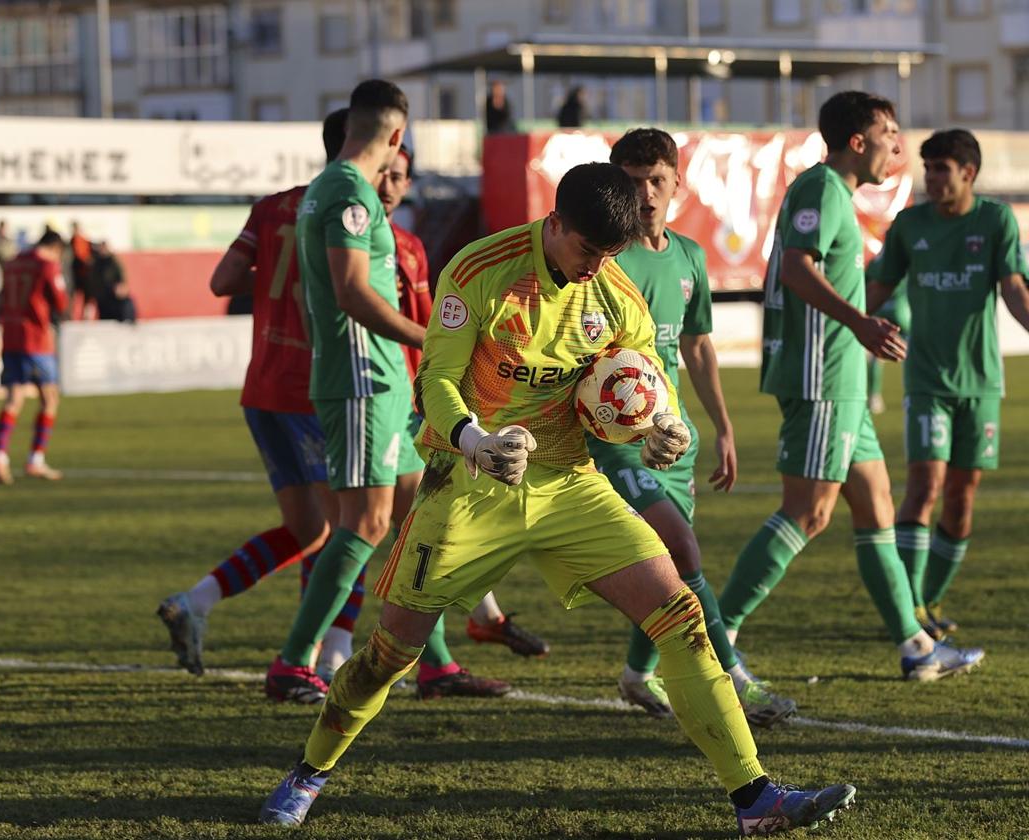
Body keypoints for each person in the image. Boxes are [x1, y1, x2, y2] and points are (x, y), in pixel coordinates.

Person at [259, 162, 857, 834]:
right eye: (586, 251)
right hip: (470, 485)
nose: (594, 268)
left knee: (680, 615)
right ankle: (308, 773)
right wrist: (475, 439)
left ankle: (754, 800)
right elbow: (438, 380)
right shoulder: (481, 270)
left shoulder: (614, 291)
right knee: (386, 659)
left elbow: (650, 390)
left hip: (569, 484)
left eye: (609, 255)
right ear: (556, 223)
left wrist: (666, 431)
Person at [717, 91, 984, 681]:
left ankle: (916, 647)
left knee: (877, 506)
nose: (898, 144)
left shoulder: (833, 193)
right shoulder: (821, 188)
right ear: (858, 142)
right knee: (809, 513)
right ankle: (719, 635)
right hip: (823, 379)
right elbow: (796, 269)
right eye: (889, 131)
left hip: (844, 383)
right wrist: (860, 322)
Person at [262, 79, 505, 704]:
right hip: (360, 380)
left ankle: (437, 664)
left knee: (416, 515)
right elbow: (350, 292)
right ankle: (293, 662)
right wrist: (430, 339)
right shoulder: (348, 193)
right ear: (397, 134)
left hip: (383, 382)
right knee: (363, 524)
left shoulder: (332, 190)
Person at [589, 127, 794, 726]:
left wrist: (723, 428)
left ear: (678, 183)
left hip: (675, 441)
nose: (646, 194)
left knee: (669, 566)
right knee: (681, 551)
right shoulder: (603, 261)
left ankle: (635, 674)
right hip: (619, 444)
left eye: (656, 180)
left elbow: (698, 345)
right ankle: (736, 681)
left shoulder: (688, 257)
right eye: (632, 182)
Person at [157, 109, 352, 679]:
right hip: (314, 388)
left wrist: (273, 282)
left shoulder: (271, 208)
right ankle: (322, 657)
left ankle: (196, 602)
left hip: (261, 388)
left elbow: (222, 281)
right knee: (353, 528)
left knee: (308, 530)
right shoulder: (346, 208)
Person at [381, 144, 550, 661]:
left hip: (413, 393)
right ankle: (317, 652)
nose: (389, 184)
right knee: (359, 526)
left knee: (406, 522)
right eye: (382, 171)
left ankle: (455, 648)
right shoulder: (342, 239)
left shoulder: (409, 246)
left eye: (399, 176)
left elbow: (441, 325)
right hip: (364, 392)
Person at [868, 128, 1029, 639]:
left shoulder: (996, 220)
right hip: (926, 381)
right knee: (925, 486)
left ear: (969, 173)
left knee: (962, 498)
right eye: (928, 168)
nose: (932, 178)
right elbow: (875, 290)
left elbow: (1013, 289)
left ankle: (930, 600)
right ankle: (910, 609)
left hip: (980, 383)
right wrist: (837, 325)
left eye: (942, 169)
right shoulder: (908, 225)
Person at [0, 229, 69, 485]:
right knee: (50, 399)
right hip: (36, 339)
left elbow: (1, 299)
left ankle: (0, 456)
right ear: (56, 248)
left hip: (10, 334)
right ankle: (36, 459)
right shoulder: (47, 265)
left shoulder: (12, 263)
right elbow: (60, 301)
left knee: (14, 398)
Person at [864, 253, 909, 414]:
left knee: (877, 355)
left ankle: (874, 396)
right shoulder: (903, 257)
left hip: (882, 309)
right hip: (901, 312)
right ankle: (911, 395)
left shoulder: (875, 263)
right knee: (912, 355)